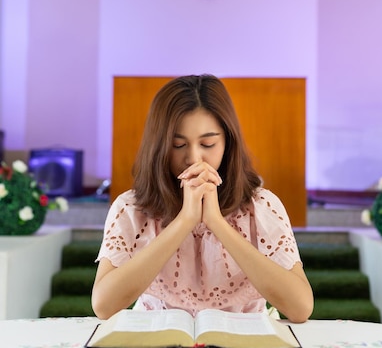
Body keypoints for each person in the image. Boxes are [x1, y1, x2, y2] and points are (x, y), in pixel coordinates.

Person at [92, 74, 313, 323]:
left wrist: (216, 221)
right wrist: (186, 220)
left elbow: (300, 307)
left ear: (228, 143)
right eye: (178, 145)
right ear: (159, 146)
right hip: (157, 346)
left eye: (208, 144)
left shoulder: (261, 206)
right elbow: (103, 305)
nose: (193, 159)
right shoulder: (131, 208)